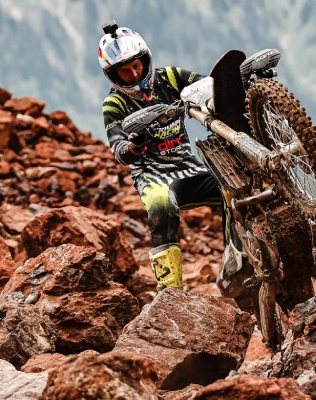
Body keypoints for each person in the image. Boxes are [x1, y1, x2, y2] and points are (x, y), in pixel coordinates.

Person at [98, 20, 233, 292]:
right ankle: (169, 292)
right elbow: (119, 150)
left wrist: (231, 88)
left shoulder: (170, 77)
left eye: (137, 65)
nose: (134, 74)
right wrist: (134, 146)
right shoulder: (114, 104)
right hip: (152, 177)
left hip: (189, 168)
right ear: (113, 75)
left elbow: (206, 86)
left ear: (145, 59)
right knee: (161, 208)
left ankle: (237, 259)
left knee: (233, 187)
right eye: (125, 71)